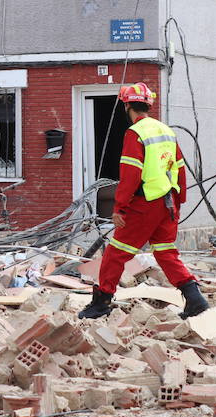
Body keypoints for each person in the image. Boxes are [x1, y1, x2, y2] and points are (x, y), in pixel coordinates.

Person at [78, 82, 208, 320]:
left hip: (144, 203)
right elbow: (179, 168)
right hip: (167, 202)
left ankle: (101, 302)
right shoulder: (166, 130)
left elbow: (131, 174)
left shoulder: (135, 133)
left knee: (116, 253)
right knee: (166, 252)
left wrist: (119, 207)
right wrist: (179, 201)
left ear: (127, 106)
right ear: (148, 104)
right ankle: (195, 297)